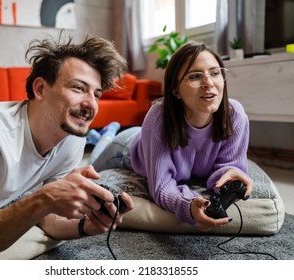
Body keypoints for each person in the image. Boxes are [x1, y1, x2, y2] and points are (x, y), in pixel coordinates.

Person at [0, 34, 134, 259]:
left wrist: (85, 226)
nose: (91, 104)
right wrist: (44, 197)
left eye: (96, 94)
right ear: (41, 89)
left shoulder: (73, 140)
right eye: (78, 88)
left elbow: (48, 219)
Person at [91, 41, 253, 232]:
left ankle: (107, 132)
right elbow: (161, 186)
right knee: (93, 167)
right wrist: (188, 205)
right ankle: (107, 134)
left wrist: (230, 177)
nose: (209, 83)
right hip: (125, 147)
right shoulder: (158, 116)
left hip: (143, 135)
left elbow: (229, 165)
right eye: (194, 76)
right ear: (175, 89)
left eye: (215, 73)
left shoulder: (235, 115)